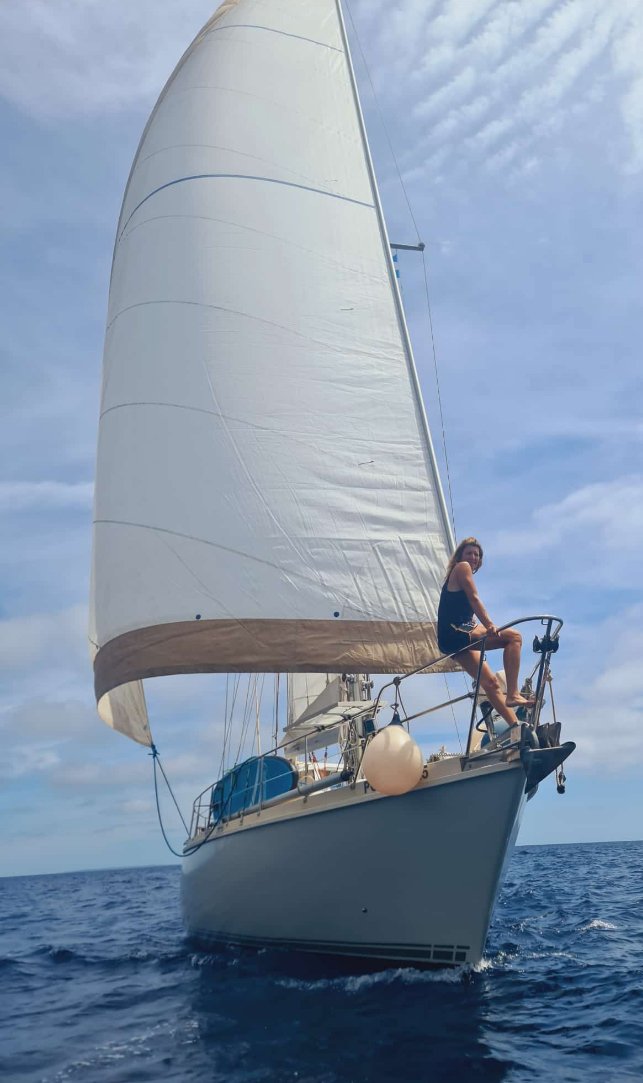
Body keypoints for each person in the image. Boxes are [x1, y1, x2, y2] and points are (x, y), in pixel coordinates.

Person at [437, 537, 533, 729]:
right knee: (514, 637)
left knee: (490, 683)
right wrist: (489, 624)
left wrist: (480, 626)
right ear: (460, 556)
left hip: (451, 639)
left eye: (477, 554)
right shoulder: (461, 567)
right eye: (469, 553)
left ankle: (515, 727)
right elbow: (474, 598)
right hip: (456, 633)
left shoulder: (457, 576)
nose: (473, 557)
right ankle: (513, 693)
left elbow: (462, 610)